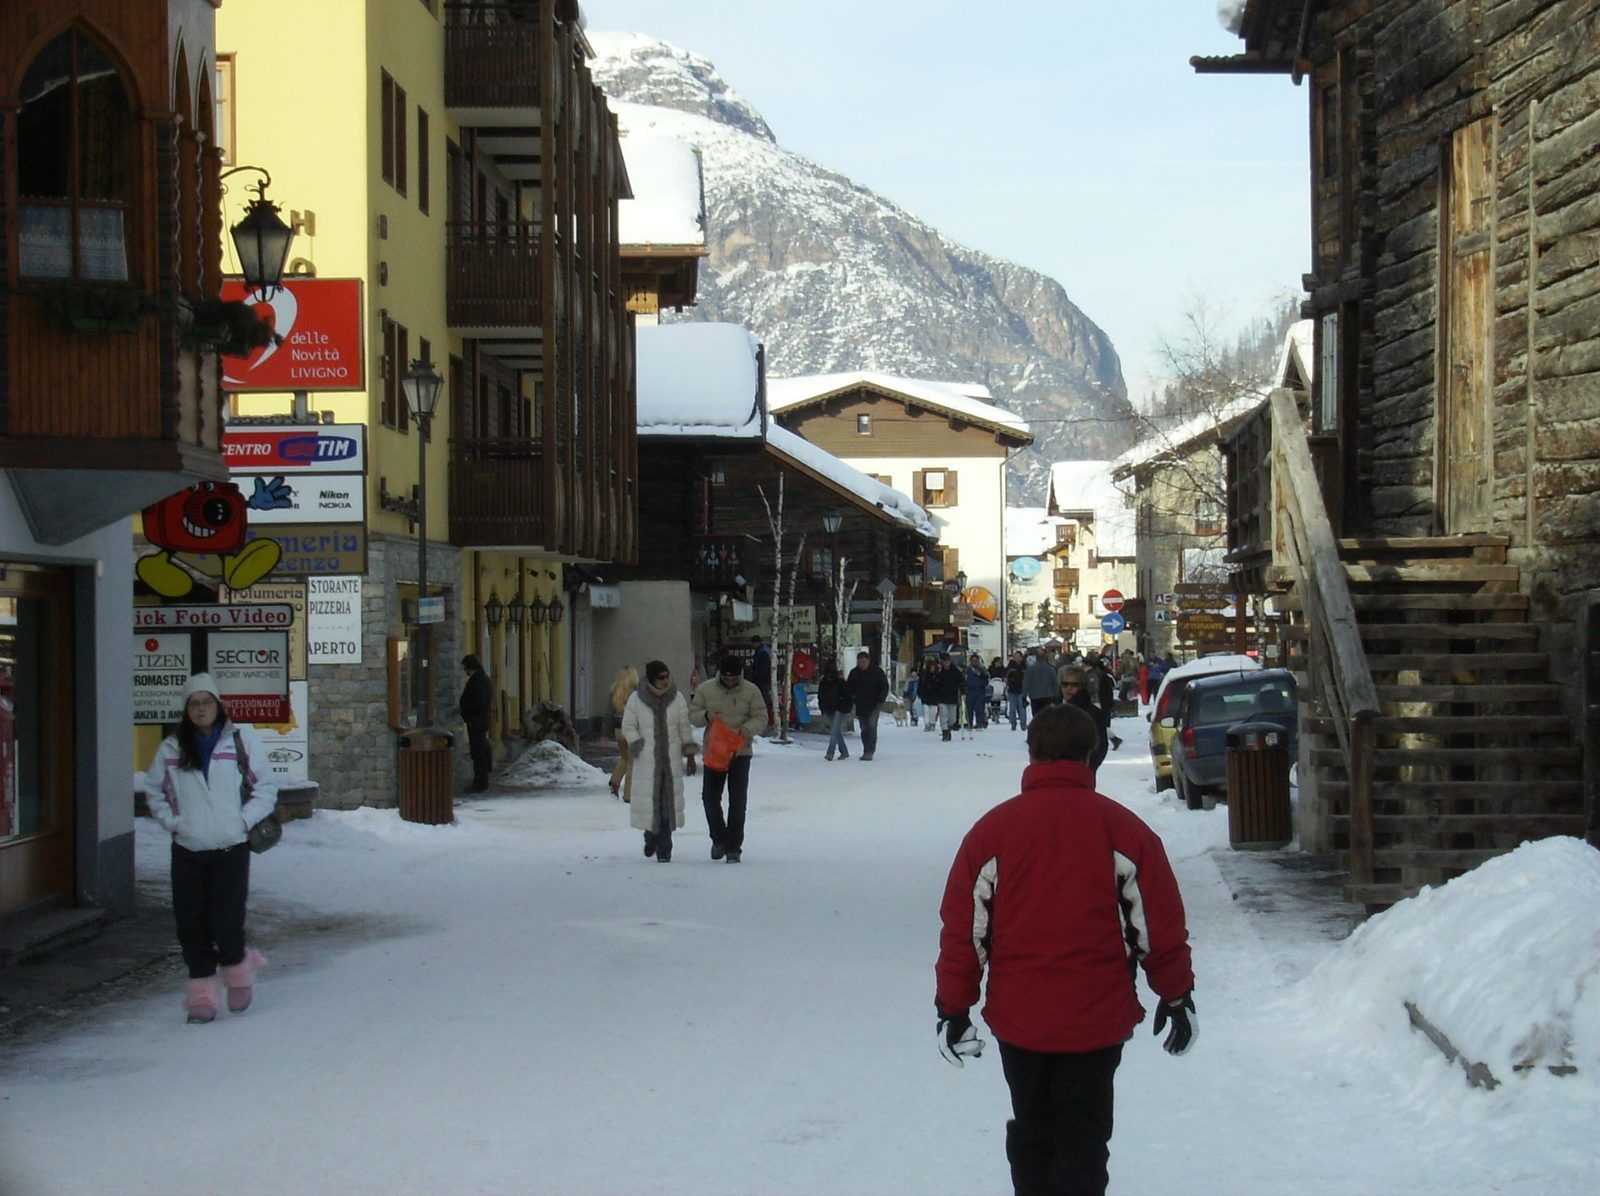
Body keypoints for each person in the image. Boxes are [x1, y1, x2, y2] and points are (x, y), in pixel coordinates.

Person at [935, 703, 1196, 1196]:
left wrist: (955, 1006)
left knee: (1033, 1125)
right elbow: (1156, 925)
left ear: (1031, 754)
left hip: (1021, 1017)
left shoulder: (993, 833)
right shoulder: (1123, 830)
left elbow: (965, 930)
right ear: (1089, 754)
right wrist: (1176, 993)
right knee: (1084, 1133)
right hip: (1096, 1018)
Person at [143, 673, 279, 1023]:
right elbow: (154, 791)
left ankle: (238, 973)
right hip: (188, 848)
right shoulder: (172, 748)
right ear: (186, 710)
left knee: (226, 920)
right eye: (194, 703)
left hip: (229, 847)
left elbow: (265, 787)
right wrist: (174, 822)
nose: (201, 709)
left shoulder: (240, 742)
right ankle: (202, 994)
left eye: (206, 702)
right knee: (191, 924)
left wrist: (243, 820)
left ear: (218, 706)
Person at [689, 655, 769, 862]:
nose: (731, 681)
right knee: (709, 799)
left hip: (740, 752)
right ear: (720, 674)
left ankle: (734, 847)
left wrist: (747, 730)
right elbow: (692, 714)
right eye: (727, 677)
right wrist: (706, 716)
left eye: (734, 678)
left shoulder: (751, 691)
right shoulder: (706, 689)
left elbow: (761, 716)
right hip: (715, 752)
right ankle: (719, 838)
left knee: (738, 801)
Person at [620, 661, 698, 862]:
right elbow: (628, 725)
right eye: (661, 677)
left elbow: (684, 727)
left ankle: (665, 847)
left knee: (667, 805)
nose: (665, 681)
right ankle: (650, 837)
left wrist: (689, 753)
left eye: (667, 676)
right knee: (650, 803)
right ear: (652, 679)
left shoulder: (677, 698)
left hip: (670, 762)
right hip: (647, 761)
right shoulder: (637, 699)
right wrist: (636, 743)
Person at [1059, 665, 1110, 773]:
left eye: (1074, 685)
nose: (1069, 688)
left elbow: (1100, 747)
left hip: (1082, 773)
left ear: (1082, 686)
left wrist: (1086, 768)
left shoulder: (1092, 713)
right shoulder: (1055, 711)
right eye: (1065, 684)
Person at [845, 650, 890, 761]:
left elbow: (884, 686)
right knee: (863, 728)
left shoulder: (877, 672)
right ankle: (866, 749)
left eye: (864, 662)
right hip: (861, 704)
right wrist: (853, 697)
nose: (862, 664)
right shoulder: (854, 673)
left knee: (871, 726)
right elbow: (849, 688)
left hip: (874, 704)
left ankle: (870, 750)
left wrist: (880, 699)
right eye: (860, 662)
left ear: (868, 661)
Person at [460, 654, 493, 793]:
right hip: (481, 719)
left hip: (476, 720)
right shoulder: (484, 679)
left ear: (470, 667)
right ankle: (481, 780)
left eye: (465, 668)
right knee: (481, 750)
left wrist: (466, 709)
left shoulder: (477, 681)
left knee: (478, 752)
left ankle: (480, 782)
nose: (464, 671)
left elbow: (479, 701)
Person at [609, 665, 639, 801]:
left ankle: (615, 782)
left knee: (624, 757)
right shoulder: (636, 693)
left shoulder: (614, 690)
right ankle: (629, 794)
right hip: (630, 729)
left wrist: (605, 733)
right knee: (633, 761)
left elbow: (607, 713)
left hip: (618, 729)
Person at [818, 660, 853, 761]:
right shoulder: (824, 682)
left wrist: (844, 707)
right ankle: (844, 752)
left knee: (834, 731)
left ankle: (830, 752)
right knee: (836, 731)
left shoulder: (840, 682)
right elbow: (821, 696)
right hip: (829, 708)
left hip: (839, 709)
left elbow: (847, 696)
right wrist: (822, 707)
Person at [933, 655, 963, 742]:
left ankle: (949, 727)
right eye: (944, 661)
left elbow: (961, 680)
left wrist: (962, 688)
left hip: (952, 697)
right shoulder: (939, 671)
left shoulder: (955, 671)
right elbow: (934, 682)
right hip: (941, 697)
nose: (946, 663)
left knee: (952, 718)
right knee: (944, 714)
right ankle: (945, 731)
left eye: (948, 661)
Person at [1022, 651, 1061, 718]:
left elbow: (1026, 683)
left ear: (1036, 657)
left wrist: (1024, 697)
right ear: (1045, 657)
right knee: (1047, 716)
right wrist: (1056, 697)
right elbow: (1055, 684)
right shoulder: (1050, 669)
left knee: (1036, 716)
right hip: (1048, 696)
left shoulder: (1030, 670)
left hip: (1035, 696)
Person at [750, 636, 774, 731]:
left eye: (753, 643)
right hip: (763, 681)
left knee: (764, 701)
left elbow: (762, 669)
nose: (752, 645)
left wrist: (759, 680)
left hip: (763, 681)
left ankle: (767, 720)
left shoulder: (762, 653)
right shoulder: (761, 651)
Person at [1004, 652, 1028, 731]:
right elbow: (1005, 675)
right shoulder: (1010, 666)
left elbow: (1028, 676)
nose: (1016, 658)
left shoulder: (1025, 666)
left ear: (1021, 657)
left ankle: (1023, 725)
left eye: (1018, 656)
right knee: (1012, 709)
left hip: (1022, 691)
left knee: (1022, 709)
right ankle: (1013, 724)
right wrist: (1007, 680)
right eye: (1015, 656)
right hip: (1012, 690)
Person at [965, 659, 991, 731]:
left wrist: (979, 674)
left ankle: (979, 724)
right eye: (972, 661)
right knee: (969, 709)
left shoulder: (982, 669)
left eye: (976, 660)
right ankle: (969, 723)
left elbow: (987, 678)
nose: (974, 662)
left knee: (979, 708)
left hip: (980, 691)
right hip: (970, 691)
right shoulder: (967, 670)